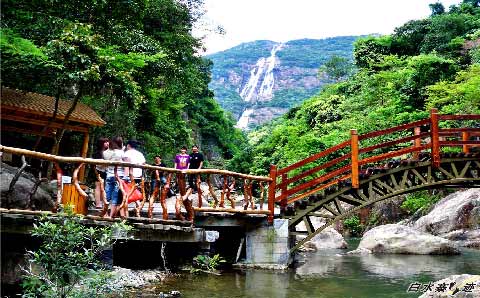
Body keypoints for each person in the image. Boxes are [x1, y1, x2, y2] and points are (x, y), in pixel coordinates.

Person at [103, 136, 125, 218]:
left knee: (107, 195)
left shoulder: (109, 152)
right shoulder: (122, 153)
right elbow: (127, 164)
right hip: (119, 176)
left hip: (109, 175)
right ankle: (111, 215)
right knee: (115, 197)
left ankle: (105, 214)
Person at [93, 137, 109, 208]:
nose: (107, 143)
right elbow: (94, 164)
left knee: (104, 187)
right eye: (105, 142)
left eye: (108, 142)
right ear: (101, 144)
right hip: (98, 171)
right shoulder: (97, 153)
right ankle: (98, 204)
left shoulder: (108, 152)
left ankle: (103, 203)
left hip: (106, 171)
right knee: (98, 186)